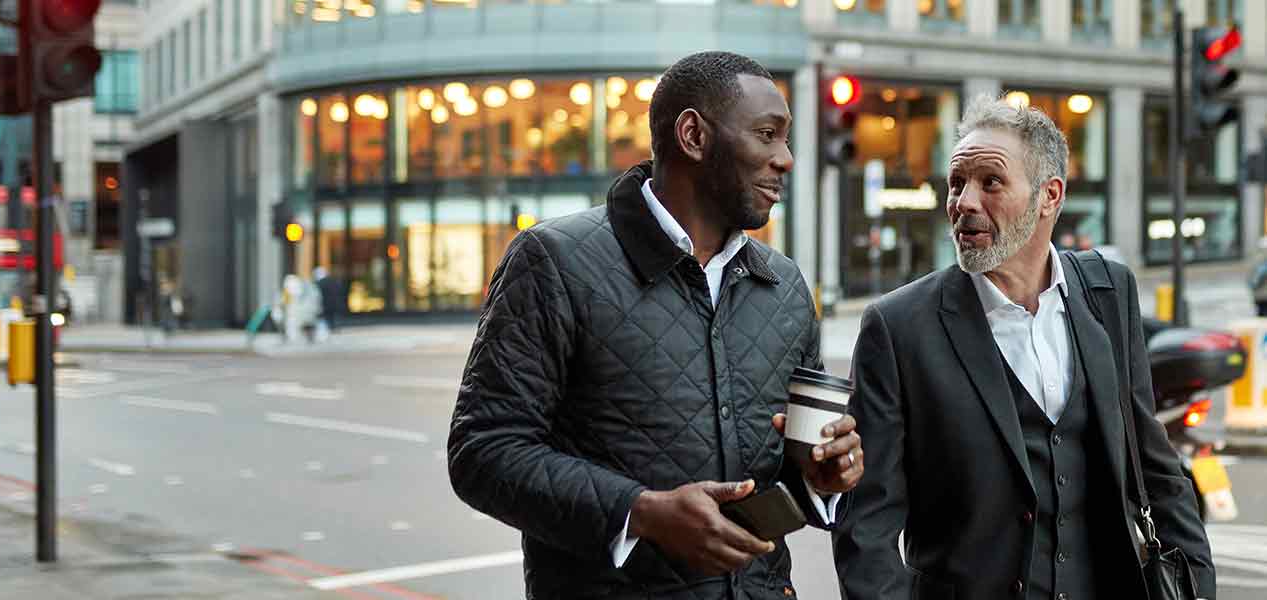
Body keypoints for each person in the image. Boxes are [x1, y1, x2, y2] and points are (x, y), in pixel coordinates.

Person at [448, 51, 863, 599]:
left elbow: (788, 473)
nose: (785, 159)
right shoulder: (553, 261)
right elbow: (483, 450)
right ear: (693, 135)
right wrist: (640, 513)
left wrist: (823, 478)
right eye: (767, 135)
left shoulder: (784, 286)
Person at [834, 95, 1214, 600]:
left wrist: (1197, 583)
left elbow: (1156, 469)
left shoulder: (1108, 293)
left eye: (990, 182)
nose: (964, 202)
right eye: (956, 183)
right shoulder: (898, 326)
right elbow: (867, 523)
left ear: (1048, 197)